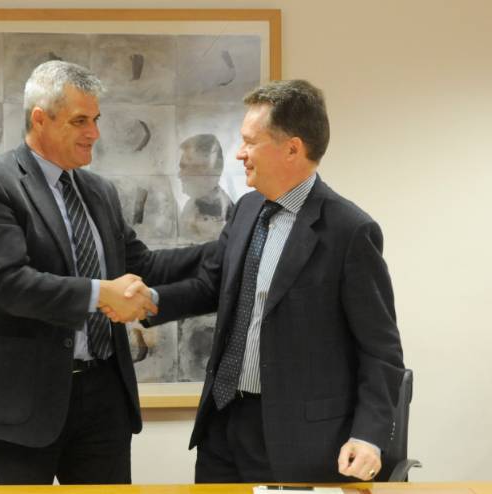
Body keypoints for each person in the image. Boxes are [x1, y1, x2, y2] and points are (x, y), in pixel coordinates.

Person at [114, 79, 405, 482]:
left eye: (250, 142)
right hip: (222, 425)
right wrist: (150, 300)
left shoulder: (349, 231)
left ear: (292, 149)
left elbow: (380, 350)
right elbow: (213, 286)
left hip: (296, 439)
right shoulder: (248, 209)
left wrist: (368, 436)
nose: (239, 153)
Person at [0, 60, 209, 485]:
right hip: (21, 402)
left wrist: (226, 248)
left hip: (103, 396)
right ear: (40, 119)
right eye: (79, 121)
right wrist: (99, 294)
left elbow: (142, 266)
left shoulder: (98, 191)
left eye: (95, 119)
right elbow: (4, 282)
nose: (94, 132)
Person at [177, 134, 234, 243]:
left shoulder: (226, 212)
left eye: (184, 167)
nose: (179, 175)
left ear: (205, 169)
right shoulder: (191, 205)